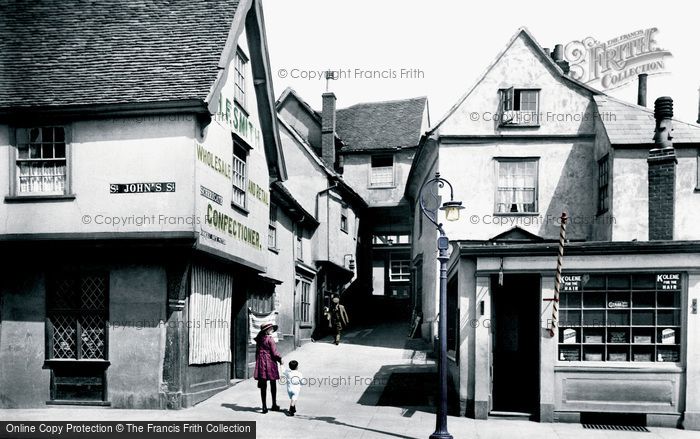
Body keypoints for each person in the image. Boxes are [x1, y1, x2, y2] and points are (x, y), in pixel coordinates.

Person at [254, 322, 282, 413]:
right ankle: (274, 404)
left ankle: (264, 407)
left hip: (261, 362)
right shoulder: (270, 339)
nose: (272, 330)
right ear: (266, 330)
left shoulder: (259, 339)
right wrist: (280, 359)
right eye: (271, 329)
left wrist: (257, 362)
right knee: (273, 383)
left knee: (263, 385)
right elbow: (274, 353)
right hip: (270, 362)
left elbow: (257, 352)